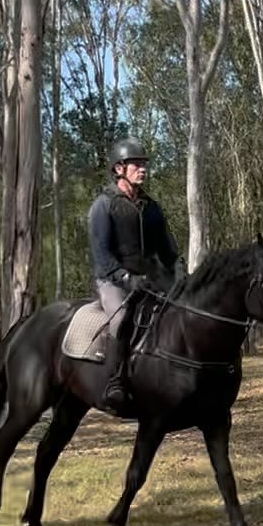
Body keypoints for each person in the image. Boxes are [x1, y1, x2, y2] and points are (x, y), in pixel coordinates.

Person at [88, 139, 183, 411]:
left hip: (150, 279)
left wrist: (178, 273)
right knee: (121, 318)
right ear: (119, 169)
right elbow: (101, 253)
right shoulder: (103, 205)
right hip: (113, 280)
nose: (143, 169)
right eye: (136, 164)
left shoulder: (151, 207)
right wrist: (125, 278)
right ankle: (115, 381)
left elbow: (167, 249)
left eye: (144, 164)